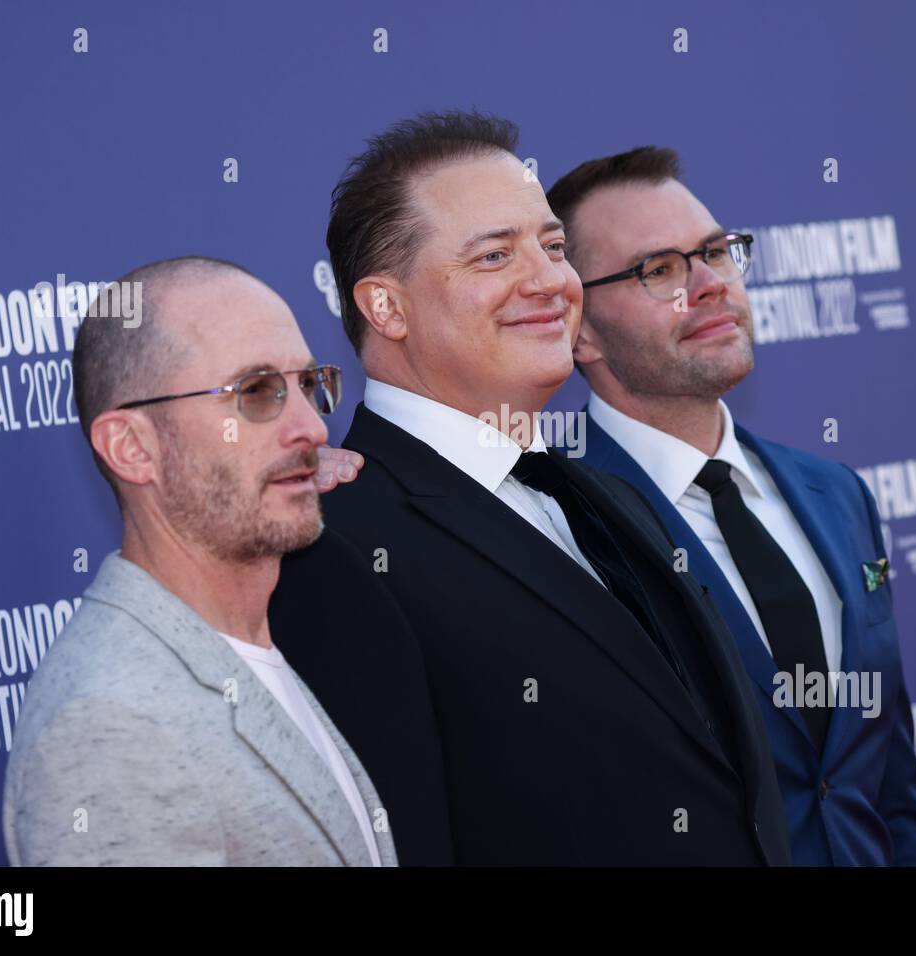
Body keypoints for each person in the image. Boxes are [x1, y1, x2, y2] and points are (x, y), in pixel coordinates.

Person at [271, 112, 791, 866]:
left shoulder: (611, 498)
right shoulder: (338, 544)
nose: (550, 280)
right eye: (492, 257)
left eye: (553, 247)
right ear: (386, 307)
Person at [545, 147, 916, 865]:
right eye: (658, 270)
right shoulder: (556, 526)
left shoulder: (837, 494)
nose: (707, 286)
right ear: (580, 331)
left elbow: (889, 783)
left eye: (716, 253)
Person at [2, 256, 395, 866]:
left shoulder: (262, 648)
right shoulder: (111, 729)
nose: (311, 427)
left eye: (309, 384)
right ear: (132, 448)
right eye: (257, 392)